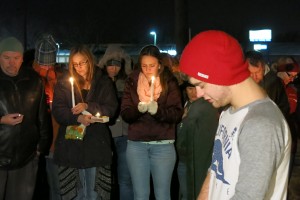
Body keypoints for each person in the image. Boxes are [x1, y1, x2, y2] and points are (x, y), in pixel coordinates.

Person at [179, 30, 291, 200]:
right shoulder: (228, 113)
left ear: (221, 73)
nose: (199, 93)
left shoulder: (261, 124)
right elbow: (215, 171)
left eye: (201, 84)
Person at [52, 44, 118, 200]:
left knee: (95, 193)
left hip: (96, 144)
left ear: (90, 61)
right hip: (71, 145)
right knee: (76, 193)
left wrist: (88, 106)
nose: (79, 67)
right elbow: (58, 110)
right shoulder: (64, 83)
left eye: (82, 62)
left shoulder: (103, 81)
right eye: (75, 64)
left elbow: (111, 108)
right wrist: (77, 117)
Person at [121, 45, 183, 200]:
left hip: (163, 145)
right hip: (137, 145)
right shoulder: (132, 81)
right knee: (140, 195)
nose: (148, 70)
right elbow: (125, 113)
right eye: (144, 66)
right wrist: (138, 110)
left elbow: (177, 113)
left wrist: (158, 111)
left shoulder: (169, 82)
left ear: (160, 65)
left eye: (152, 66)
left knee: (162, 195)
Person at [0, 36, 52, 200]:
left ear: (22, 58)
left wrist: (40, 148)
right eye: (6, 58)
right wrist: (1, 120)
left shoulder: (34, 80)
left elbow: (42, 116)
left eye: (16, 58)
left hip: (26, 158)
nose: (11, 63)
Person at [98, 44, 133, 200]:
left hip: (124, 133)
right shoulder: (99, 82)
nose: (113, 68)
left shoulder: (126, 82)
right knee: (104, 178)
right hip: (105, 133)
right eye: (110, 64)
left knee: (125, 178)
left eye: (117, 65)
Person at [33, 34, 63, 200]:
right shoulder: (29, 77)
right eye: (42, 63)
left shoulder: (59, 77)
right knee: (33, 187)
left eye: (49, 63)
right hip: (33, 143)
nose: (46, 67)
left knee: (56, 186)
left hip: (54, 140)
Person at [176, 81, 218, 200]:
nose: (194, 92)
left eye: (197, 88)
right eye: (190, 89)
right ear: (185, 90)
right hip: (183, 159)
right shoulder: (180, 108)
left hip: (202, 160)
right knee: (185, 193)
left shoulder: (210, 107)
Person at [245, 50, 290, 117]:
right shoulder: (241, 82)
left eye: (257, 72)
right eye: (250, 72)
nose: (254, 76)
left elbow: (284, 109)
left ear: (263, 67)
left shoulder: (275, 83)